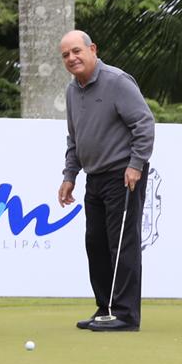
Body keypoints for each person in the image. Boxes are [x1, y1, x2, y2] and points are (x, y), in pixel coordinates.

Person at [57, 30, 155, 332]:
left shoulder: (117, 82)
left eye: (76, 51)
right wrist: (69, 175)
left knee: (122, 244)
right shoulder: (72, 91)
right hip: (94, 177)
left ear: (92, 49)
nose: (72, 58)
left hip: (123, 175)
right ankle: (105, 308)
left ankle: (126, 315)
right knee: (95, 244)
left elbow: (144, 124)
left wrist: (136, 164)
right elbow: (75, 138)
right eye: (65, 55)